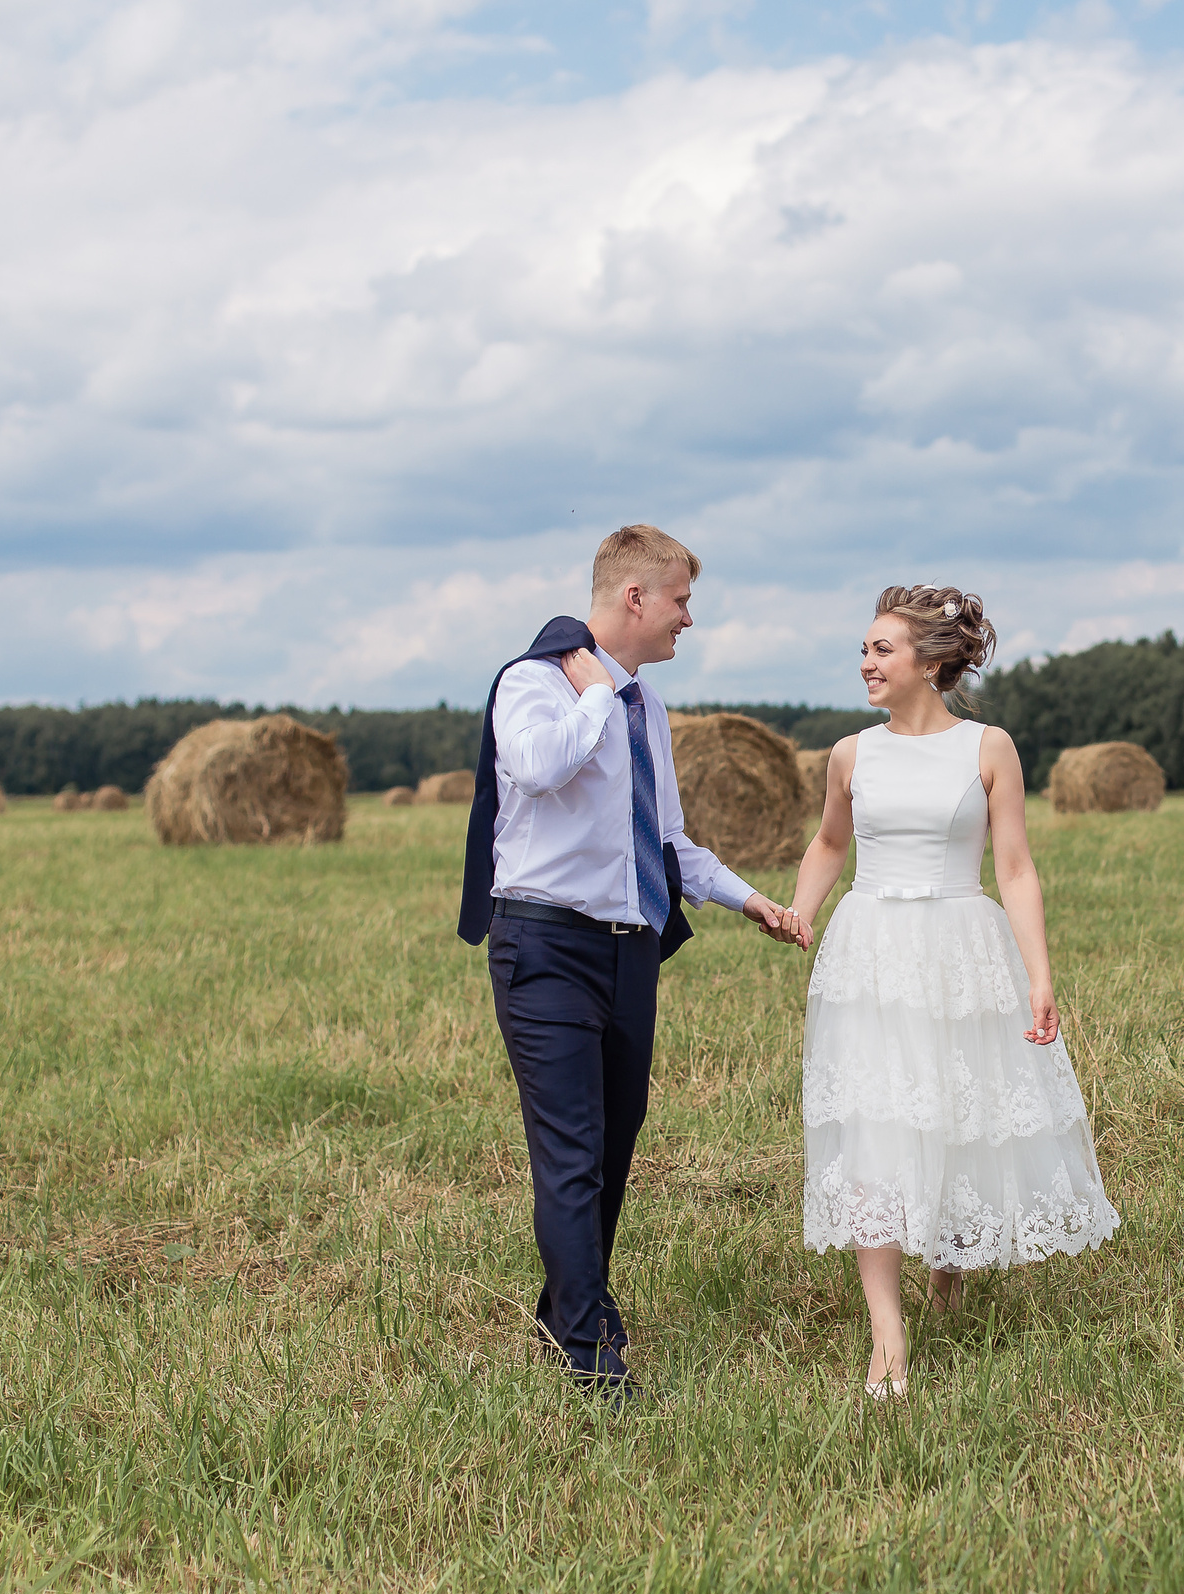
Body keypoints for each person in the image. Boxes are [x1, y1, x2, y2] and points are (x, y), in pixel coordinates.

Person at [458, 524, 804, 1402]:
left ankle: (562, 1307)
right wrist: (596, 693)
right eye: (681, 599)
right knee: (570, 1151)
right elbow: (537, 769)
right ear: (634, 598)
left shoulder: (648, 708)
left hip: (629, 952)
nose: (690, 617)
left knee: (614, 1147)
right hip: (544, 946)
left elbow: (666, 839)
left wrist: (747, 897)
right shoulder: (533, 685)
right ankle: (586, 1353)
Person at [784, 584, 1120, 1398]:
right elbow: (831, 841)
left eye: (881, 649)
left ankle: (950, 1261)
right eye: (864, 649)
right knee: (875, 1121)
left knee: (954, 1109)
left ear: (931, 662)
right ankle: (887, 1339)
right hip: (871, 949)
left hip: (963, 941)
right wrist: (800, 911)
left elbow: (1015, 867)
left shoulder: (988, 747)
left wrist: (1040, 974)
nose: (865, 662)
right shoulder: (850, 754)